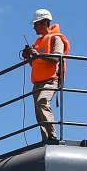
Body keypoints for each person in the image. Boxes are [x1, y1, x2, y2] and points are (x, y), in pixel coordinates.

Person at [21, 8, 69, 143]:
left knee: (42, 102)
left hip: (51, 80)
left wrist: (38, 54)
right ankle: (46, 138)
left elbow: (56, 58)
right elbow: (36, 64)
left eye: (36, 24)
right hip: (38, 82)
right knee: (38, 109)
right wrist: (28, 57)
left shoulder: (56, 38)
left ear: (44, 22)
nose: (34, 27)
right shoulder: (38, 42)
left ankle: (52, 137)